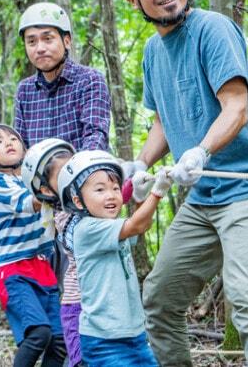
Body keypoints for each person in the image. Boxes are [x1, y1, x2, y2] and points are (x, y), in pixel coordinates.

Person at [117, 0, 248, 366]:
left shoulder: (212, 29)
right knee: (159, 299)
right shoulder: (151, 53)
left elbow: (236, 105)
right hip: (205, 199)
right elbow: (163, 120)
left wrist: (200, 151)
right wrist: (141, 163)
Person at [56, 150, 172, 367]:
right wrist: (158, 192)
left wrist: (138, 197)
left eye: (116, 188)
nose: (110, 195)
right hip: (104, 339)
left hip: (134, 334)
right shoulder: (86, 229)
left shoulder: (113, 228)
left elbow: (139, 228)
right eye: (99, 190)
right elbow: (136, 225)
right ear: (78, 201)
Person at [0, 124, 66, 367]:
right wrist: (56, 185)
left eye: (13, 138)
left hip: (42, 268)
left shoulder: (36, 182)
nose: (9, 142)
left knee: (59, 342)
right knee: (39, 334)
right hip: (14, 271)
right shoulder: (0, 182)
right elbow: (28, 203)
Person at [14, 2, 111, 151]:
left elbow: (95, 137)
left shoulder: (89, 80)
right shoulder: (24, 91)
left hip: (85, 171)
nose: (40, 48)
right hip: (38, 173)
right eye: (32, 41)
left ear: (67, 41)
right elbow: (21, 148)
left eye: (48, 39)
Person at [20, 138, 83, 367]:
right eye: (63, 174)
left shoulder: (86, 206)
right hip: (79, 308)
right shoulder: (66, 219)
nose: (72, 178)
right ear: (46, 189)